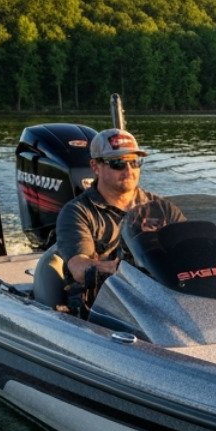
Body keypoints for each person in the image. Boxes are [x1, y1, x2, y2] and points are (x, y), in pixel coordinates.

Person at [55, 128, 178, 305]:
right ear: (95, 166)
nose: (128, 170)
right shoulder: (77, 211)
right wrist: (126, 270)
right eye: (118, 163)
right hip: (104, 301)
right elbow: (79, 267)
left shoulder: (162, 207)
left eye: (134, 162)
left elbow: (187, 250)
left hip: (157, 295)